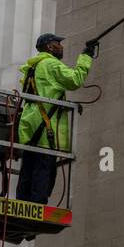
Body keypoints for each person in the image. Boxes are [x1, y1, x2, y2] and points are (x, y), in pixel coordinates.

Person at [15, 32, 95, 204]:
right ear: (50, 46)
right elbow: (75, 80)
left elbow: (47, 93)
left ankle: (22, 206)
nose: (62, 46)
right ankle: (37, 208)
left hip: (32, 124)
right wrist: (86, 57)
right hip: (45, 128)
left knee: (29, 168)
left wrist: (66, 105)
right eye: (58, 43)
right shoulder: (50, 64)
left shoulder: (34, 67)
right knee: (44, 171)